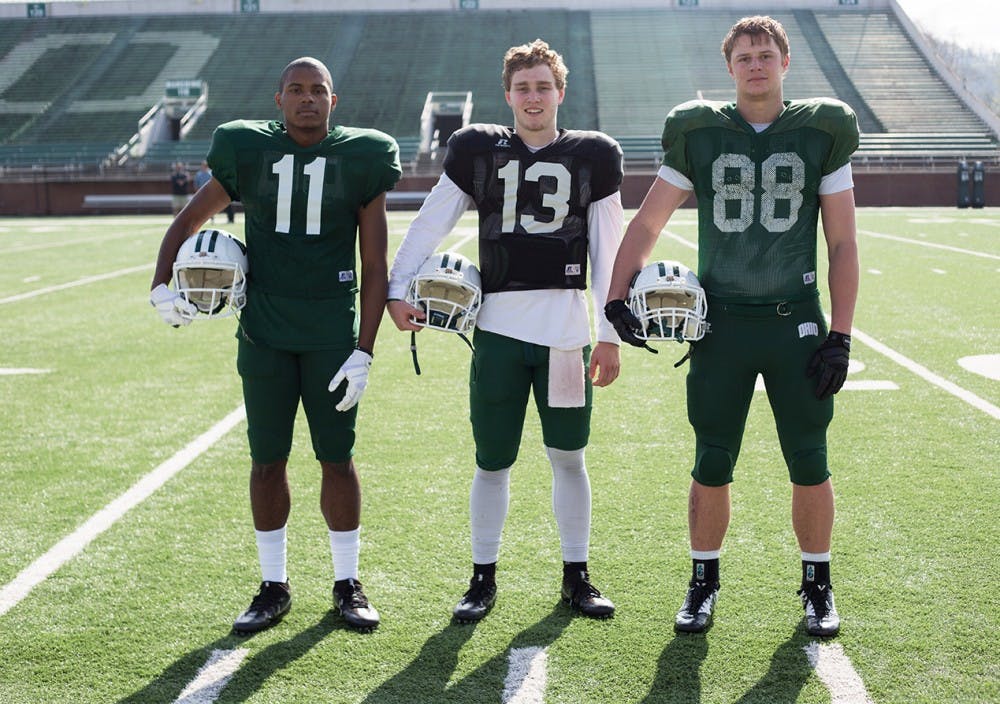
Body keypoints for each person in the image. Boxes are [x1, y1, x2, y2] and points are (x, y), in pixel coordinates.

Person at [604, 15, 859, 638]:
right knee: (712, 457)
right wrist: (614, 299)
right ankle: (702, 581)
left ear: (785, 62)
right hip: (720, 326)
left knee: (810, 457)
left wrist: (842, 334)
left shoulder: (820, 131)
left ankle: (818, 584)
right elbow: (646, 223)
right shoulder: (700, 132)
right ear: (729, 67)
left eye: (765, 54)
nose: (755, 65)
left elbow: (843, 242)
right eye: (744, 56)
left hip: (795, 322)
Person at [149, 57, 402, 634]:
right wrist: (160, 283)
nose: (307, 98)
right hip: (264, 332)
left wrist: (364, 350)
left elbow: (375, 263)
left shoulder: (362, 156)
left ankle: (347, 582)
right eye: (296, 89)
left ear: (334, 101)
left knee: (336, 458)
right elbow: (186, 222)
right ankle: (273, 585)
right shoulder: (247, 149)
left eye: (318, 90)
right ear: (278, 99)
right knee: (267, 461)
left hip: (330, 333)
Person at [387, 39, 624, 622]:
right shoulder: (479, 150)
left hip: (565, 335)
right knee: (492, 461)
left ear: (560, 92)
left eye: (543, 86)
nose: (533, 97)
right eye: (523, 88)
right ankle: (482, 578)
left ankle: (576, 575)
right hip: (496, 330)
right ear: (508, 95)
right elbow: (431, 222)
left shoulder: (593, 155)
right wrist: (398, 287)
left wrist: (610, 332)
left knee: (569, 457)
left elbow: (608, 250)